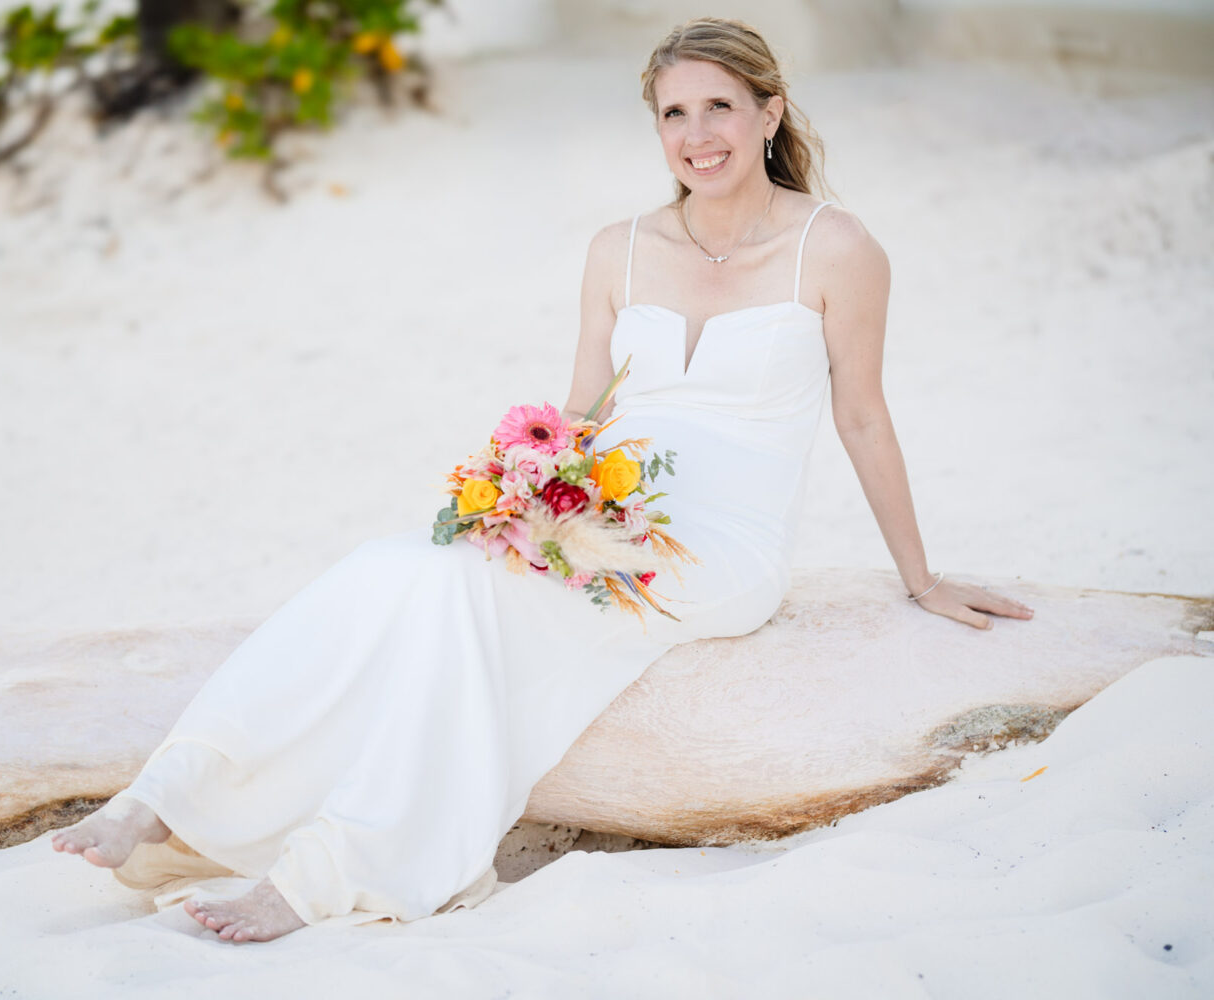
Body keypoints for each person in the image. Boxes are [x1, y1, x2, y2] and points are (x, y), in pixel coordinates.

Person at [51, 17, 1034, 943]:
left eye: (720, 106)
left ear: (771, 112)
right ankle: (165, 792)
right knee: (403, 568)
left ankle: (323, 873)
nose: (698, 135)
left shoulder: (839, 247)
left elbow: (863, 413)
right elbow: (583, 413)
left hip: (722, 547)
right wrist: (525, 492)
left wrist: (921, 577)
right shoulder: (621, 247)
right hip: (605, 507)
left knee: (474, 605)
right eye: (674, 113)